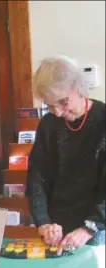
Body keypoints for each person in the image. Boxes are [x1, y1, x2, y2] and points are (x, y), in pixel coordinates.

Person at [26, 55, 105, 255]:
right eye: (50, 106)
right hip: (58, 228)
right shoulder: (48, 124)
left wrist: (88, 228)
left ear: (79, 87)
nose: (59, 112)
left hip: (98, 229)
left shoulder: (103, 121)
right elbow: (37, 177)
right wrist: (43, 222)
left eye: (63, 102)